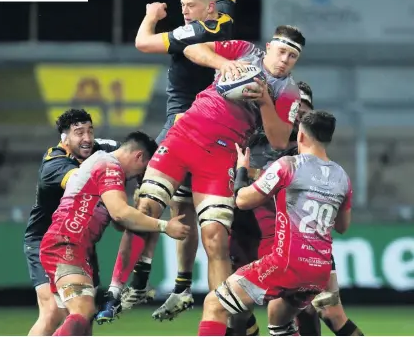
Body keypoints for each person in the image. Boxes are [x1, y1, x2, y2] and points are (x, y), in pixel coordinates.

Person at [122, 26, 303, 325]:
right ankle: (129, 286)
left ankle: (222, 321)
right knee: (147, 206)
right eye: (282, 51)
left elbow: (280, 141)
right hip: (188, 134)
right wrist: (225, 64)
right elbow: (191, 49)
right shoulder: (245, 51)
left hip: (226, 160)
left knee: (217, 240)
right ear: (269, 46)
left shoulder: (289, 92)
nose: (285, 60)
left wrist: (264, 101)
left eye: (293, 56)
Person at [96, 0, 237, 322]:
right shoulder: (224, 21)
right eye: (180, 4)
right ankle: (181, 287)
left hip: (181, 125)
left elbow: (143, 43)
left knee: (148, 204)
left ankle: (135, 282)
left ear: (207, 9)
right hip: (215, 132)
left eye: (189, 4)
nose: (184, 10)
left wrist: (149, 17)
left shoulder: (193, 31)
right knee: (186, 211)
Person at [198, 110, 352, 336]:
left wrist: (242, 168)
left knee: (214, 304)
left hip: (286, 264)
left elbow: (242, 200)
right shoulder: (342, 177)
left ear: (300, 136)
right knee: (280, 322)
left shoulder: (288, 165)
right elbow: (342, 226)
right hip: (319, 272)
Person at [39, 131, 190, 336]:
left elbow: (119, 220)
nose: (139, 177)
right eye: (142, 170)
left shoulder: (102, 164)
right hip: (67, 244)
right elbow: (120, 214)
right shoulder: (109, 167)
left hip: (72, 245)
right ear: (139, 157)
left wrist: (139, 215)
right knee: (83, 311)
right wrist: (165, 226)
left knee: (82, 325)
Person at [23, 108, 121, 335]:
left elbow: (131, 150)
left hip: (79, 240)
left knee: (84, 311)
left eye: (90, 131)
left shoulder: (97, 149)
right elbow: (81, 182)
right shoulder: (54, 164)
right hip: (44, 241)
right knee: (52, 311)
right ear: (65, 138)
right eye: (79, 132)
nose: (87, 138)